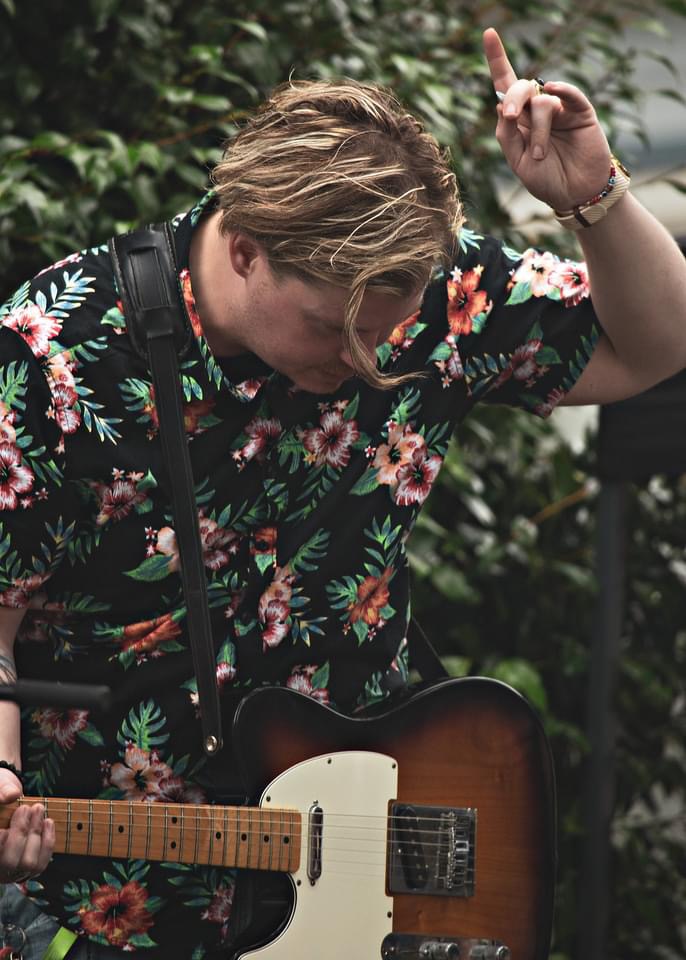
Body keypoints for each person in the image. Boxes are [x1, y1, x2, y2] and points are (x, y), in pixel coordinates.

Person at [0, 27, 685, 960]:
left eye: (384, 333)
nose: (366, 361)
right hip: (107, 904)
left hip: (363, 877)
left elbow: (655, 347)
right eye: (334, 329)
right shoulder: (58, 356)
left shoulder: (438, 297)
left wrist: (598, 200)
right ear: (244, 249)